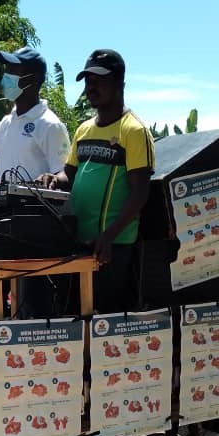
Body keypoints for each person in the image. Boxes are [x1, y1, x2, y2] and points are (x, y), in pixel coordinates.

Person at [45, 49, 154, 313]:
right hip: (79, 243)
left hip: (112, 247)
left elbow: (140, 193)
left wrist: (109, 235)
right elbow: (68, 175)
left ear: (119, 83)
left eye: (99, 80)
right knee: (75, 318)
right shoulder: (84, 129)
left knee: (105, 325)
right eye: (87, 80)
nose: (91, 86)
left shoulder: (134, 130)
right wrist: (52, 179)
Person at [0, 47, 70, 182]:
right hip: (4, 204)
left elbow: (61, 180)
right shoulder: (7, 122)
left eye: (13, 70)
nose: (6, 76)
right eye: (7, 70)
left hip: (34, 204)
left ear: (33, 79)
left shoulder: (50, 125)